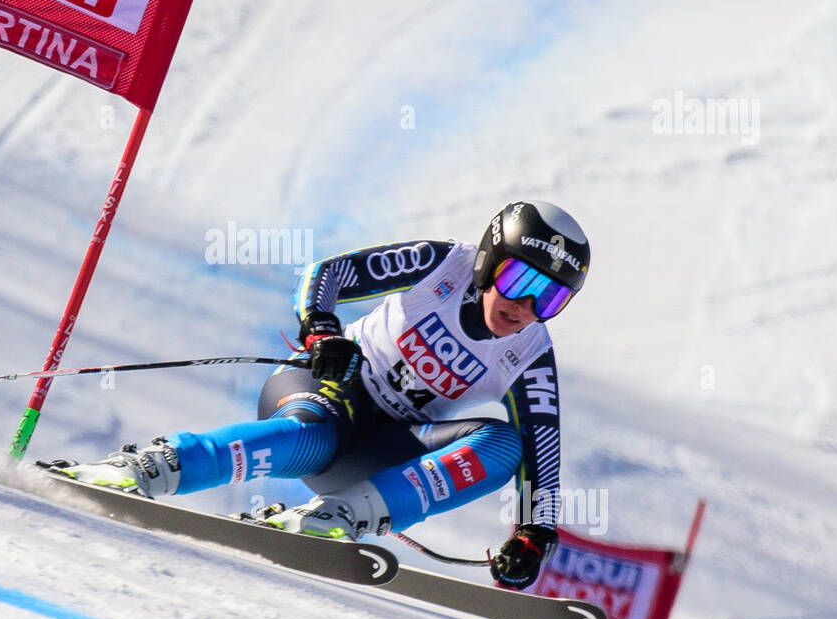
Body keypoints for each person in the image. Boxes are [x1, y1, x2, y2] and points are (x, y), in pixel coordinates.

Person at [52, 200, 590, 590]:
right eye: (520, 279)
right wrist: (322, 331)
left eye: (551, 297)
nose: (526, 306)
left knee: (503, 446)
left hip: (382, 448)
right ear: (488, 261)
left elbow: (543, 453)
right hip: (328, 390)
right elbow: (325, 274)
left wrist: (535, 533)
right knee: (314, 431)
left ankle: (341, 518)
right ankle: (146, 468)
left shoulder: (530, 351)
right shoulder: (440, 264)